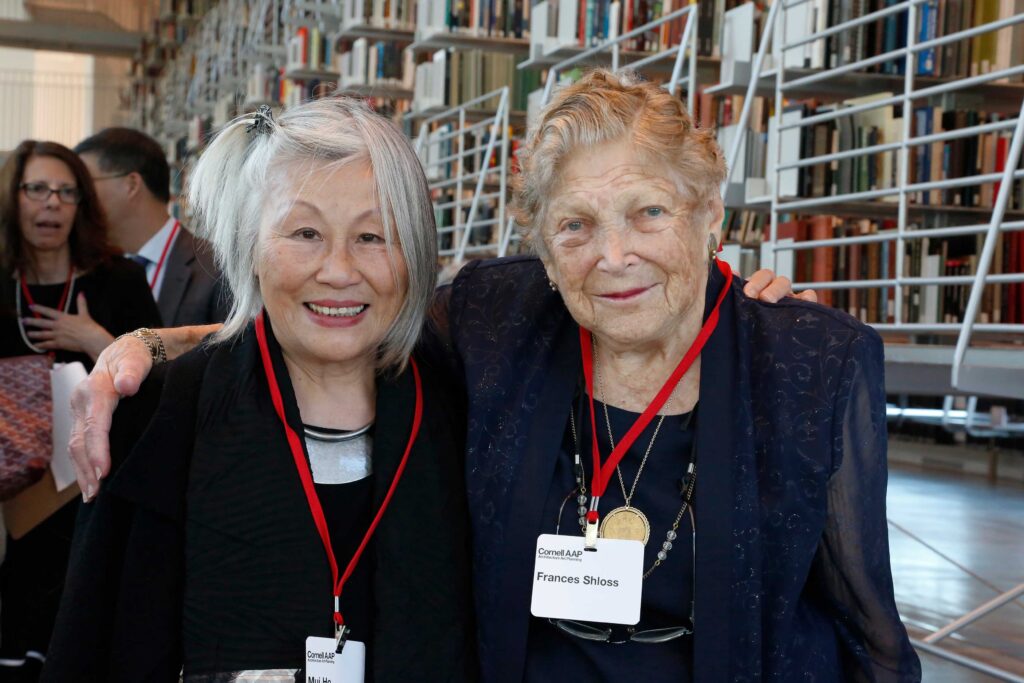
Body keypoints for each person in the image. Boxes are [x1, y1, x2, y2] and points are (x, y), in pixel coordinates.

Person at [62, 71, 909, 682]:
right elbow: (335, 315)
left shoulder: (806, 362)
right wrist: (146, 342)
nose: (614, 257)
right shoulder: (503, 321)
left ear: (709, 213)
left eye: (649, 211)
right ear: (540, 243)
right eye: (575, 224)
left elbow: (870, 629)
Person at [43, 100, 476, 681]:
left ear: (417, 254)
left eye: (374, 235)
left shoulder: (462, 400)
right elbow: (99, 641)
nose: (340, 270)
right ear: (249, 245)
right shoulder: (162, 416)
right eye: (305, 233)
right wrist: (144, 344)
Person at [0, 140, 161, 681]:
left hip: (99, 493)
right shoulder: (4, 285)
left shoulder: (119, 281)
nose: (52, 204)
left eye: (68, 192)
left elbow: (163, 390)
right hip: (13, 501)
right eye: (38, 189)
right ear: (13, 198)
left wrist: (97, 341)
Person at [76, 127, 230, 326]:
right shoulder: (93, 270)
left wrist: (96, 342)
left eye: (85, 185)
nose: (78, 198)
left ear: (131, 185)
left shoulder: (215, 268)